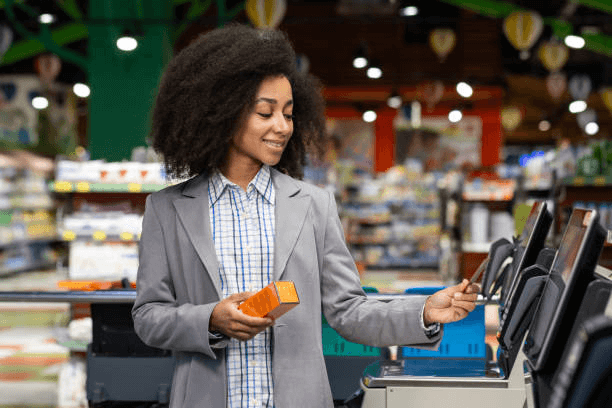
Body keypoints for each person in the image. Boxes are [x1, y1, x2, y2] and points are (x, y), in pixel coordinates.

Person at [132, 23, 479, 408]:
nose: (281, 127)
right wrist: (210, 319)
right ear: (222, 112)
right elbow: (149, 316)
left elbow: (348, 310)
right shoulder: (166, 209)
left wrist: (425, 311)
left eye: (289, 114)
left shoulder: (314, 205)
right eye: (265, 112)